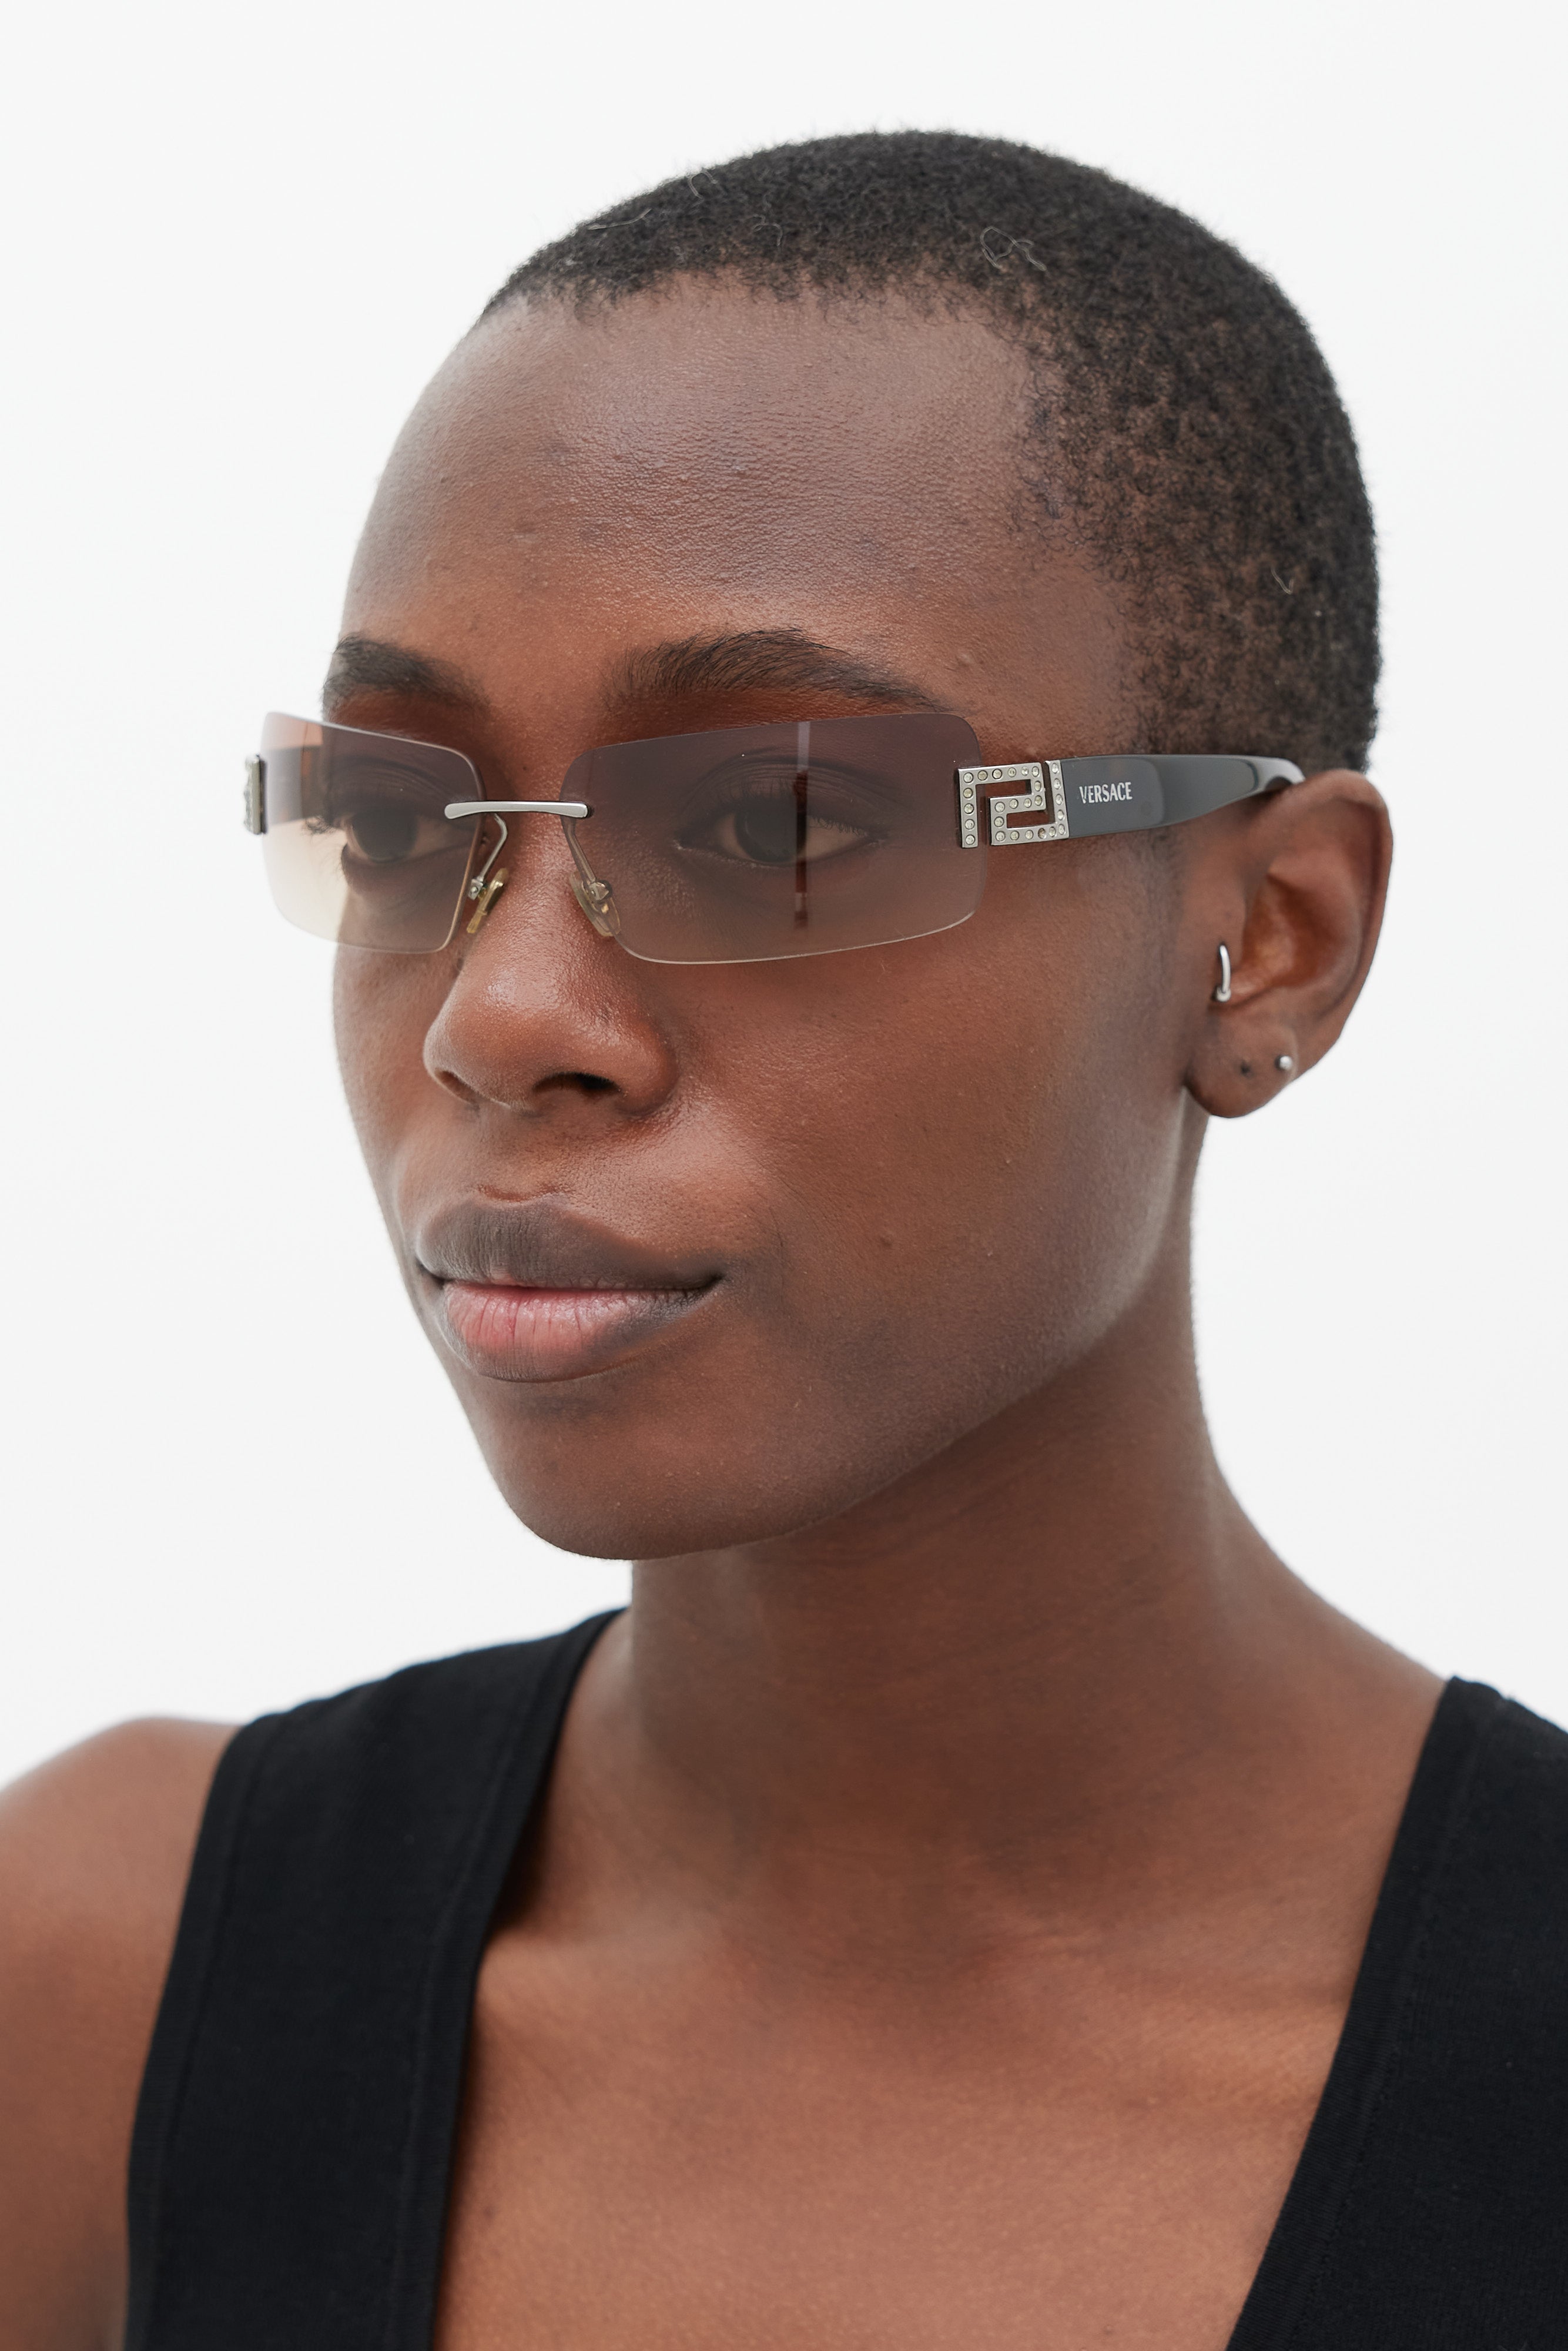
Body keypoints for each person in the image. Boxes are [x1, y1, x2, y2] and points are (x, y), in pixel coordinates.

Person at [2, 129, 1564, 2351]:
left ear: (1273, 937)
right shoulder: (107, 1981)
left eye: (775, 823)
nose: (494, 1017)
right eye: (394, 819)